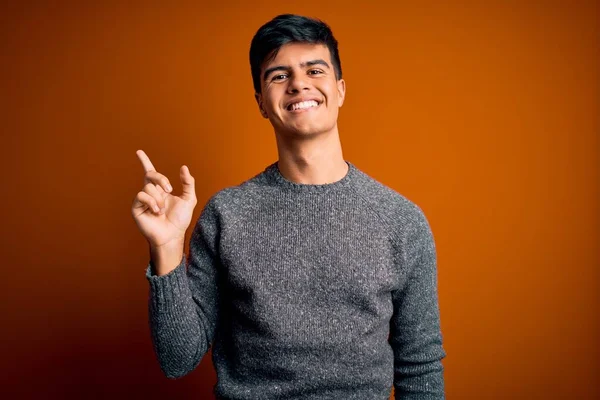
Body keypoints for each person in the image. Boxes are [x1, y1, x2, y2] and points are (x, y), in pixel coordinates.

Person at [131, 13, 446, 400]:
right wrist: (166, 248)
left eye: (314, 70)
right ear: (262, 102)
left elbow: (420, 365)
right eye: (279, 76)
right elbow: (177, 360)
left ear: (341, 90)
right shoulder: (226, 215)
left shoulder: (401, 221)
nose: (299, 84)